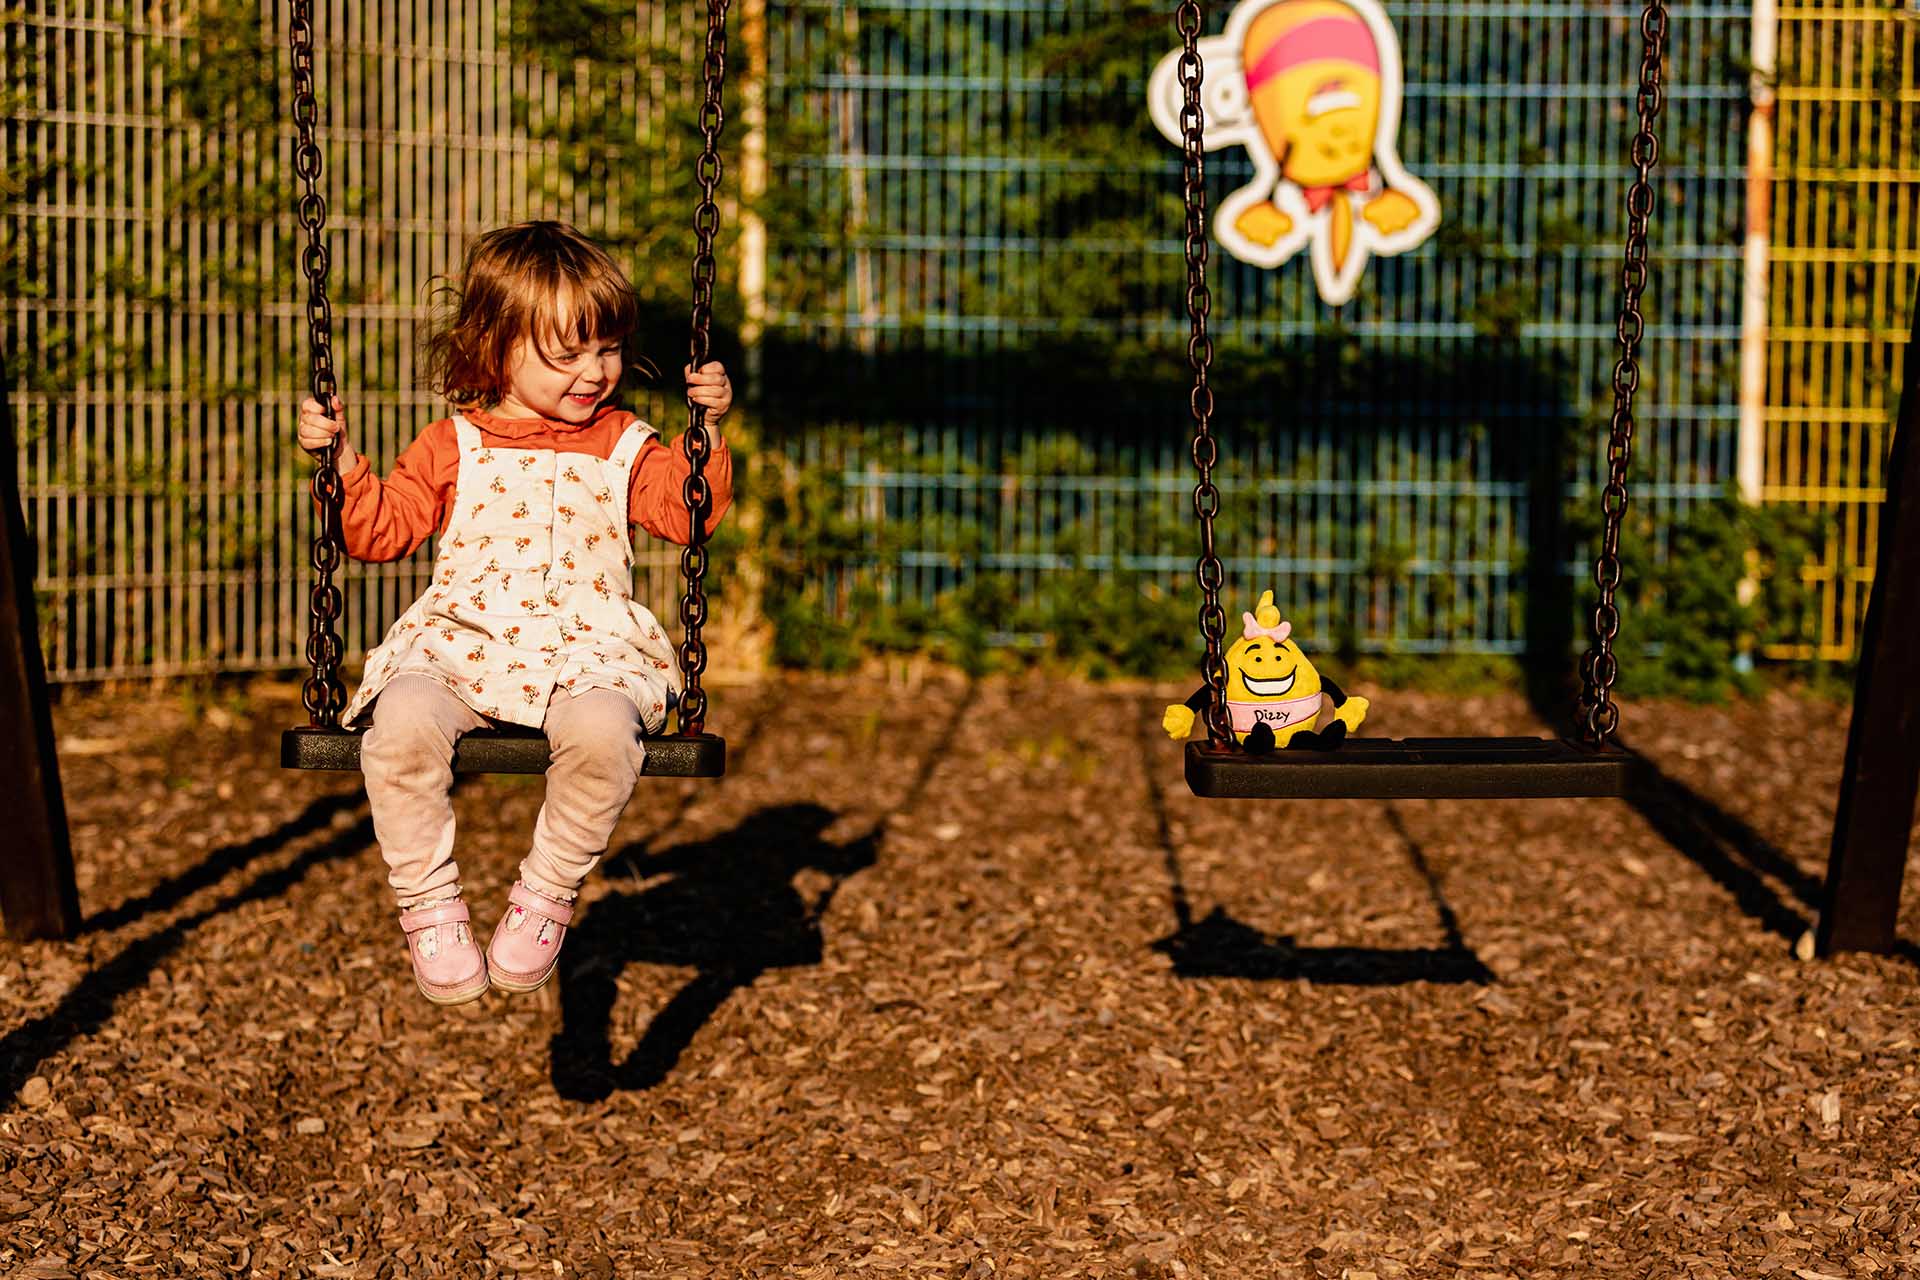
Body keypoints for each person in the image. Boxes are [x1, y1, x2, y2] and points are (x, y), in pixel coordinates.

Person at [295, 220, 733, 1005]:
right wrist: (342, 466)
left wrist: (708, 432)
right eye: (565, 355)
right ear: (495, 348)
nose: (593, 372)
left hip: (587, 650)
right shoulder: (451, 444)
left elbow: (686, 514)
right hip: (464, 644)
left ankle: (547, 893)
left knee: (606, 737)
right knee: (397, 727)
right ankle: (429, 904)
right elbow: (379, 531)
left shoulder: (627, 441)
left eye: (604, 349)